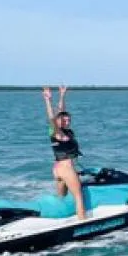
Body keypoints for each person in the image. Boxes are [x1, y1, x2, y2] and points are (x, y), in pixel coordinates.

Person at [43, 85, 87, 219]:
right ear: (58, 122)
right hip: (66, 168)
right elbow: (52, 118)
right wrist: (48, 100)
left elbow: (61, 112)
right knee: (79, 197)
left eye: (69, 120)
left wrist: (62, 95)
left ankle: (58, 218)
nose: (67, 122)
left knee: (61, 198)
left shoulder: (64, 131)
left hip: (57, 169)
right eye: (64, 120)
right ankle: (83, 223)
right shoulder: (58, 133)